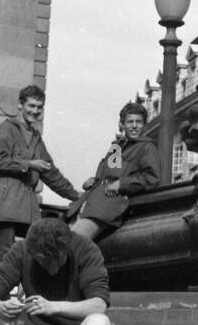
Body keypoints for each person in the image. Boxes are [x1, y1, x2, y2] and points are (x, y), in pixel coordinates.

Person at [0, 85, 79, 267]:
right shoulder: (6, 129)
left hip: (28, 207)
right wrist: (29, 165)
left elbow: (50, 172)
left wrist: (76, 196)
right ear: (20, 105)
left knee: (32, 253)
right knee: (5, 253)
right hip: (8, 203)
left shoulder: (36, 137)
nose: (35, 111)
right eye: (31, 106)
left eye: (39, 107)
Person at [66, 102, 160, 242]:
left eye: (138, 122)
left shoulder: (147, 147)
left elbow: (151, 178)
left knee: (75, 243)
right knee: (63, 239)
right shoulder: (116, 146)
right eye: (130, 122)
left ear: (144, 124)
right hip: (92, 200)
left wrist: (121, 184)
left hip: (109, 205)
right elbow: (107, 173)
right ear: (122, 124)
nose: (134, 125)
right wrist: (94, 180)